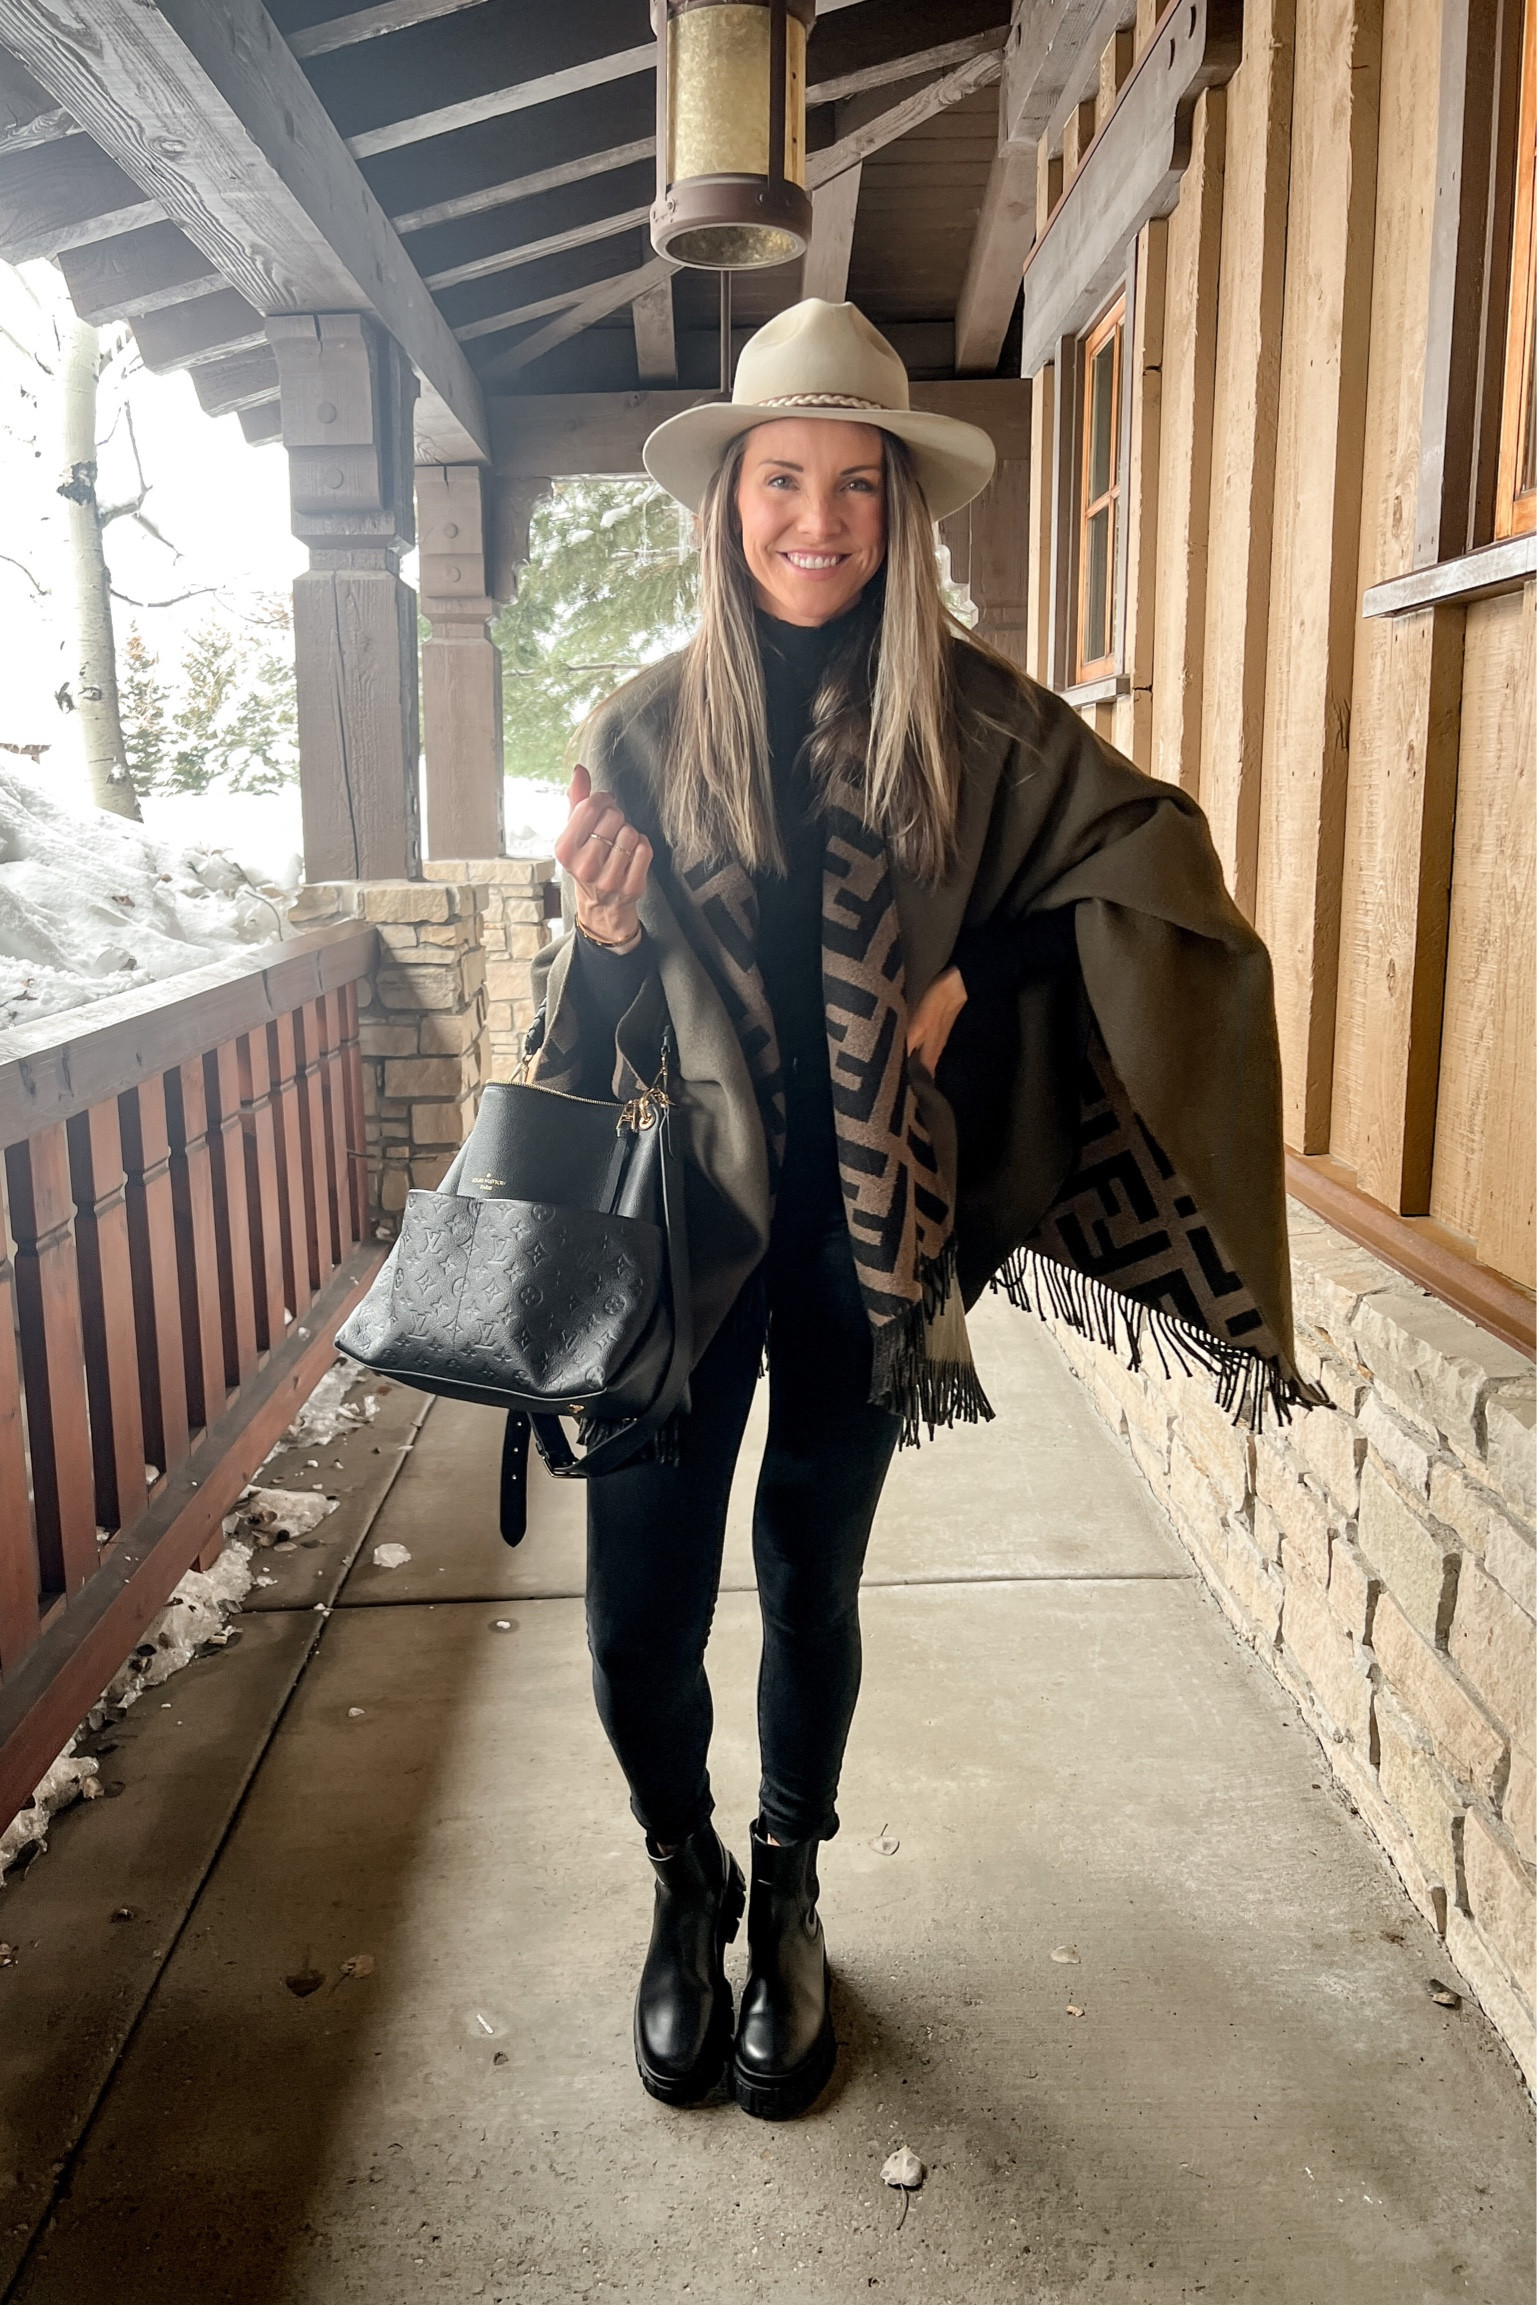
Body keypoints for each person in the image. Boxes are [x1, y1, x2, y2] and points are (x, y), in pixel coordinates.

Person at [533, 298, 1308, 2122]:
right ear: (729, 503)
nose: (819, 518)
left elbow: (1155, 855)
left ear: (901, 508)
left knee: (809, 1577)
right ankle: (686, 1882)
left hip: (872, 1244)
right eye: (783, 480)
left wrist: (987, 975)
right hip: (678, 1243)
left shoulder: (973, 719)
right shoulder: (642, 730)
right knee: (633, 1619)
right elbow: (583, 1040)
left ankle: (790, 1888)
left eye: (856, 485)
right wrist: (606, 934)